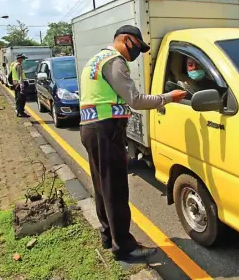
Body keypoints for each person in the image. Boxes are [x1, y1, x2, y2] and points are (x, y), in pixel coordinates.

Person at [79, 25, 186, 261]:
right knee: (115, 189)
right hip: (106, 130)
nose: (138, 53)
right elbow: (136, 100)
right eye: (138, 47)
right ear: (126, 40)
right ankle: (125, 247)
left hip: (92, 128)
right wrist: (170, 97)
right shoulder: (114, 61)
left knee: (102, 186)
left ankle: (109, 236)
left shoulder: (96, 59)